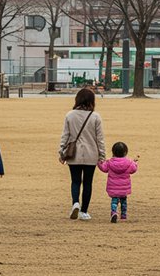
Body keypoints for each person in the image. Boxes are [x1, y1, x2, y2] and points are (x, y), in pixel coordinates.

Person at [59, 87, 105, 221]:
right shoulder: (95, 116)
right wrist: (102, 156)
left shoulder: (70, 115)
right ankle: (84, 211)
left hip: (74, 154)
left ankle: (75, 203)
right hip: (91, 154)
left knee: (75, 181)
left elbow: (65, 136)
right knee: (88, 183)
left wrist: (61, 152)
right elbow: (100, 139)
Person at [98, 141, 139, 224]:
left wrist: (99, 162)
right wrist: (135, 163)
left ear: (113, 152)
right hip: (124, 187)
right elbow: (133, 169)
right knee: (124, 200)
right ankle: (123, 214)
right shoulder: (129, 162)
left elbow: (103, 168)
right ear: (125, 152)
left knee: (114, 201)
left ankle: (114, 212)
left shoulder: (109, 162)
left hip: (113, 187)